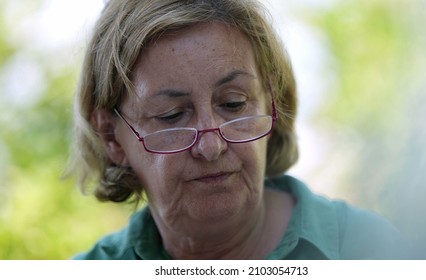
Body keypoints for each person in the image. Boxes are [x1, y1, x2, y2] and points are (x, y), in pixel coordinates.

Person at [68, 0, 406, 260]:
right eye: (172, 116)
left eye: (233, 104)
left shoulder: (370, 250)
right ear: (112, 137)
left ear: (271, 104)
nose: (211, 146)